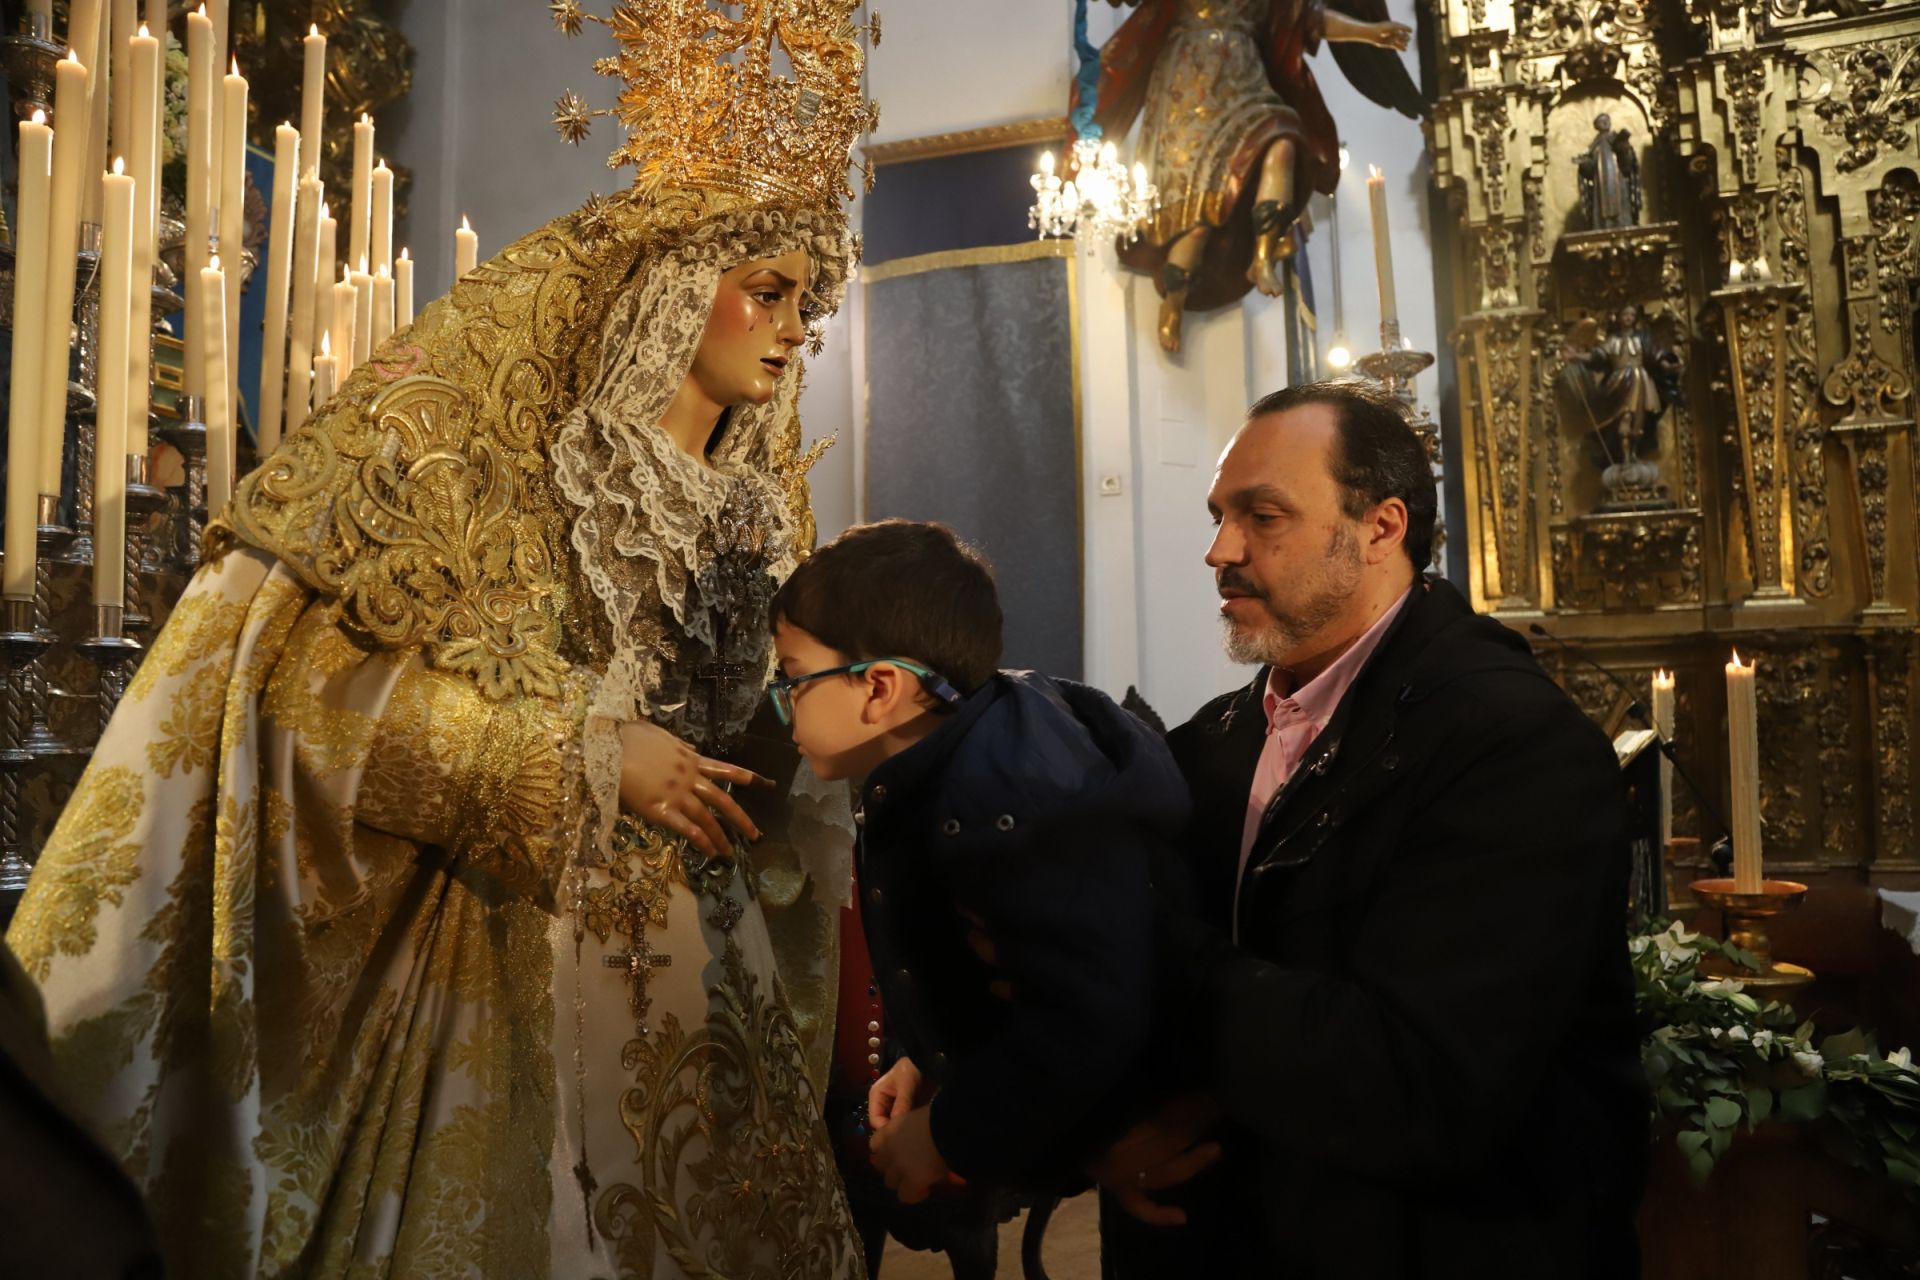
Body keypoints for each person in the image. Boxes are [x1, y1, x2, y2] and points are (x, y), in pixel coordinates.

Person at [6, 11, 876, 1275]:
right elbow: (308, 690)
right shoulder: (506, 462)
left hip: (694, 955)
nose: (798, 328)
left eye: (813, 300)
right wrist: (578, 751)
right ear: (682, 284)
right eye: (773, 290)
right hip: (504, 954)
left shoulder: (755, 504)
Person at [1095, 381, 1646, 1277]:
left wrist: (1157, 953)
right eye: (1218, 517)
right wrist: (1109, 1130)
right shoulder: (1214, 741)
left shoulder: (1513, 746)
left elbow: (1420, 1085)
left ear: (1383, 527)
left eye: (1262, 517)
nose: (1219, 551)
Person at [767, 522, 1187, 1222]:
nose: (784, 706)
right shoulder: (976, 738)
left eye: (792, 678)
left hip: (1154, 1134)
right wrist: (933, 1058)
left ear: (878, 689)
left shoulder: (1000, 802)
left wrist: (944, 1136)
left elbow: (1084, 1015)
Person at [1090, 0, 1417, 352]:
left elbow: (1308, 19)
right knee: (1197, 218)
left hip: (1246, 80)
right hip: (1188, 83)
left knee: (1284, 141)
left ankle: (1262, 255)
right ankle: (1174, 297)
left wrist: (1369, 34)